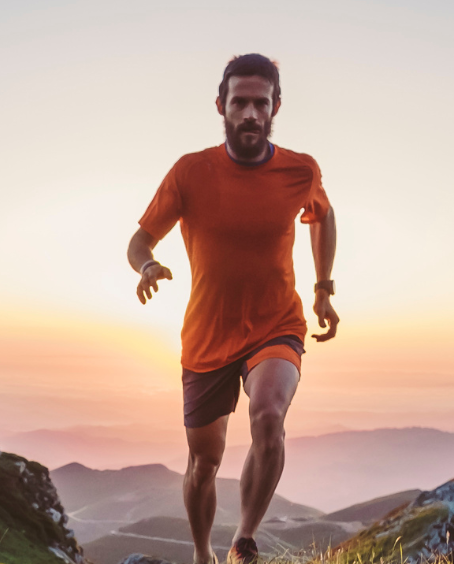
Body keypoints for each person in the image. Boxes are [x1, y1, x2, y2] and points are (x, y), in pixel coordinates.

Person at [125, 53, 340, 564]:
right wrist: (146, 267)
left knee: (268, 415)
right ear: (220, 105)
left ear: (275, 108)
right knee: (205, 461)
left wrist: (324, 287)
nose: (249, 113)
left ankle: (244, 540)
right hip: (206, 336)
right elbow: (139, 240)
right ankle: (204, 554)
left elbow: (323, 217)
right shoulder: (190, 172)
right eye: (239, 102)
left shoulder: (300, 170)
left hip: (277, 326)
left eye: (259, 103)